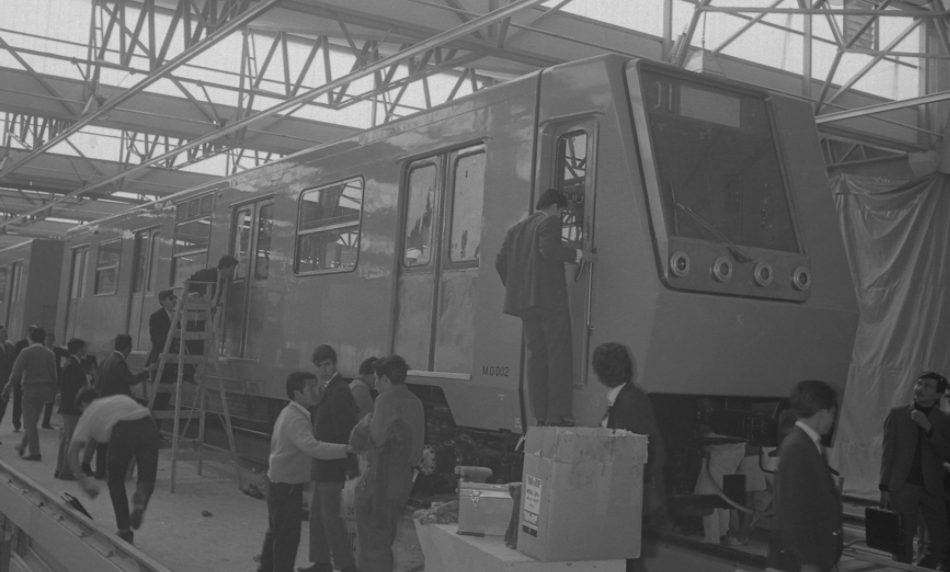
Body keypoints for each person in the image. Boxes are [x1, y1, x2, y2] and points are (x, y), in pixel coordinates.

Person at [494, 188, 592, 426]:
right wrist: (580, 254)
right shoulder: (549, 222)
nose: (561, 216)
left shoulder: (515, 230)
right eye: (562, 212)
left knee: (536, 356)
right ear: (555, 207)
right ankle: (557, 414)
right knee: (558, 354)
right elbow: (549, 250)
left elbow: (499, 261)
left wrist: (518, 287)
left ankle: (540, 414)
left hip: (526, 304)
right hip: (550, 300)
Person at [257, 371, 350, 572]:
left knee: (276, 533)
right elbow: (313, 447)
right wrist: (345, 449)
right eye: (311, 388)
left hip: (280, 484)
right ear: (297, 393)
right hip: (286, 488)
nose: (317, 391)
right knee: (287, 540)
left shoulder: (291, 412)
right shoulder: (295, 419)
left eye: (317, 386)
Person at [349, 354, 425, 572]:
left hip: (378, 483)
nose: (375, 386)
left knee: (372, 546)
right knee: (384, 542)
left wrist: (365, 425)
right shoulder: (417, 402)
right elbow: (415, 455)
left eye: (376, 380)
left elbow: (376, 439)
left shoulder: (385, 400)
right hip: (401, 484)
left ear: (384, 379)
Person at [591, 342, 668, 539]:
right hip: (628, 496)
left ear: (600, 372)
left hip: (629, 498)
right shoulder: (626, 397)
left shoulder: (629, 402)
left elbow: (645, 452)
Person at [67, 387, 160, 545]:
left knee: (115, 482)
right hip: (149, 423)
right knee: (147, 477)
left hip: (123, 430)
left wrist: (83, 483)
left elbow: (72, 452)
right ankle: (141, 498)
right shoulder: (117, 398)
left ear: (83, 403)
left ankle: (125, 530)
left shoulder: (89, 412)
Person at [879, 371, 950, 568]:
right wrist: (884, 486)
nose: (919, 389)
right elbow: (888, 452)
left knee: (937, 542)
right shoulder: (897, 414)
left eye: (927, 386)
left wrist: (929, 428)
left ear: (938, 395)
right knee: (901, 541)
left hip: (932, 488)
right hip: (902, 486)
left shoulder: (944, 420)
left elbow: (947, 452)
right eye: (919, 384)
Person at [299, 345, 359, 572]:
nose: (323, 370)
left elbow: (346, 429)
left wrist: (347, 460)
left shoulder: (341, 390)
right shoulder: (327, 388)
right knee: (317, 516)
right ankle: (321, 562)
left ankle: (346, 566)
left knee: (331, 518)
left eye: (326, 365)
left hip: (333, 462)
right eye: (319, 366)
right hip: (323, 460)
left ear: (334, 363)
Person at [774, 380, 842, 572]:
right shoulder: (798, 447)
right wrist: (808, 561)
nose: (833, 420)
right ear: (823, 413)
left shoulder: (810, 444)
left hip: (815, 555)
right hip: (802, 560)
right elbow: (792, 509)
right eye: (833, 414)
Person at [87, 334, 151, 479]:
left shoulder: (106, 361)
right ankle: (111, 472)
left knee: (103, 442)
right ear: (127, 347)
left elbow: (99, 383)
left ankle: (100, 471)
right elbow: (130, 380)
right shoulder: (119, 362)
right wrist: (146, 373)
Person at [2, 326, 57, 460]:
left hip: (30, 390)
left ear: (31, 338)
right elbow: (54, 376)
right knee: (34, 419)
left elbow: (16, 372)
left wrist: (7, 387)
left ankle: (35, 452)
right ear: (43, 339)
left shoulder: (26, 352)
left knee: (29, 422)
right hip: (45, 390)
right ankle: (22, 445)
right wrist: (52, 393)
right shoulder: (49, 353)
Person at [54, 338, 89, 480]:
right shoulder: (73, 365)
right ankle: (67, 471)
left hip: (69, 408)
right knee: (71, 439)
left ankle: (60, 468)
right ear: (78, 349)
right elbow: (72, 389)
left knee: (66, 439)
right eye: (83, 348)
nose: (85, 351)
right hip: (72, 409)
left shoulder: (71, 363)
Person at [146, 289, 177, 412]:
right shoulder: (156, 316)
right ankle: (152, 426)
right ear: (162, 302)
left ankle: (157, 426)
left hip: (171, 361)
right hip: (159, 360)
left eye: (174, 297)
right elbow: (156, 339)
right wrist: (172, 334)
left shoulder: (176, 315)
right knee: (157, 395)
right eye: (171, 298)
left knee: (166, 397)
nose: (174, 300)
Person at [41, 331, 68, 429]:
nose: (49, 341)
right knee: (40, 401)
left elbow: (69, 354)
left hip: (54, 378)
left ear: (53, 340)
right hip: (42, 378)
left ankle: (45, 422)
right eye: (47, 339)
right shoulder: (41, 350)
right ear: (44, 340)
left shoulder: (57, 350)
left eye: (51, 339)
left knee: (50, 401)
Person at [351, 356, 379, 420]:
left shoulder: (353, 385)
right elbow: (367, 421)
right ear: (369, 375)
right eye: (377, 376)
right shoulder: (361, 390)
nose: (377, 380)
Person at [0, 325, 15, 440]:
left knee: (2, 409)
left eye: (6, 332)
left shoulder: (9, 346)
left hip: (5, 383)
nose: (6, 334)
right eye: (3, 332)